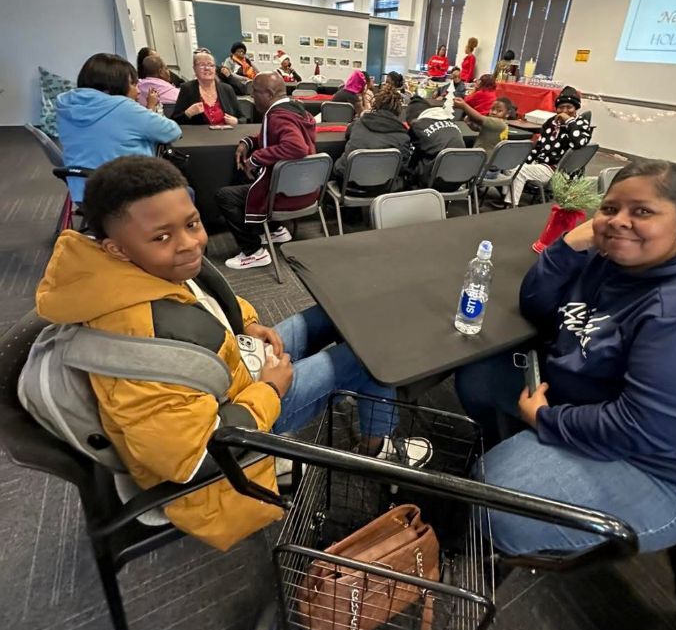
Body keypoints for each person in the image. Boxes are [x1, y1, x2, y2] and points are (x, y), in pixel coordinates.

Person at [33, 156, 431, 550]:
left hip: (229, 370)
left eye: (192, 224)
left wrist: (247, 323)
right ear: (117, 249)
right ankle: (379, 450)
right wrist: (270, 391)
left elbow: (203, 304)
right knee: (368, 354)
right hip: (235, 424)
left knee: (335, 314)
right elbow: (195, 458)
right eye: (162, 237)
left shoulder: (141, 274)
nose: (189, 244)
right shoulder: (138, 347)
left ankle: (363, 409)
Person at [456, 159, 676, 556]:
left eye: (642, 211)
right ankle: (526, 456)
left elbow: (645, 428)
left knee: (492, 501)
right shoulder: (612, 259)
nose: (619, 221)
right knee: (478, 376)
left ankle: (506, 523)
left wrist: (547, 421)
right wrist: (568, 246)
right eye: (610, 208)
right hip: (587, 404)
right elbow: (537, 305)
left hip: (656, 467)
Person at [216, 72, 316, 270]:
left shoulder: (276, 116)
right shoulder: (298, 110)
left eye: (255, 91)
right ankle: (276, 229)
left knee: (224, 196)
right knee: (246, 180)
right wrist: (248, 142)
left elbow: (297, 148)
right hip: (305, 192)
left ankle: (254, 252)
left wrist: (255, 158)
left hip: (282, 198)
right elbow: (275, 135)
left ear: (269, 94)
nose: (252, 96)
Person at [55, 52, 181, 203]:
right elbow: (172, 131)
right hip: (125, 196)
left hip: (82, 194)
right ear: (113, 85)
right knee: (186, 193)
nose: (138, 90)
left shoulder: (67, 106)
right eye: (133, 84)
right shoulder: (124, 107)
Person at [506, 87, 592, 206]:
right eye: (561, 107)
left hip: (557, 170)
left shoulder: (581, 124)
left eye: (569, 107)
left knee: (520, 172)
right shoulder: (551, 122)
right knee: (508, 166)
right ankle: (506, 196)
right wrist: (525, 162)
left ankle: (510, 205)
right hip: (541, 164)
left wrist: (569, 122)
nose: (564, 111)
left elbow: (579, 143)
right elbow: (538, 146)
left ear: (576, 108)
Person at [333, 81, 412, 185]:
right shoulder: (403, 137)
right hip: (382, 187)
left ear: (376, 105)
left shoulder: (359, 122)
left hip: (347, 183)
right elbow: (402, 166)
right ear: (399, 110)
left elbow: (348, 134)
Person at [405, 96, 465, 188]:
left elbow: (411, 159)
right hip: (460, 180)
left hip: (434, 183)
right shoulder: (451, 122)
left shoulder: (418, 125)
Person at [172, 52, 246, 126]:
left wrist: (236, 121)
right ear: (194, 69)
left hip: (226, 132)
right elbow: (175, 121)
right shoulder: (187, 89)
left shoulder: (227, 89)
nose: (207, 68)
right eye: (202, 65)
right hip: (200, 133)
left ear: (215, 69)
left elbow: (243, 118)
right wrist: (188, 113)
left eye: (211, 65)